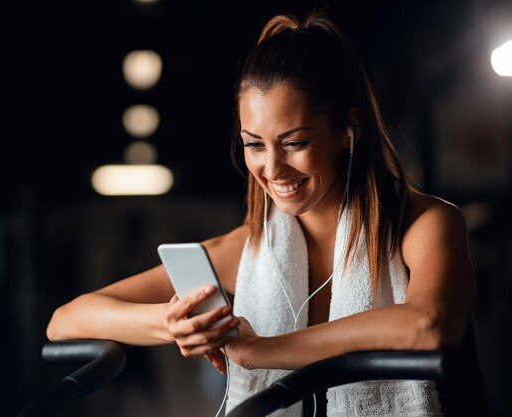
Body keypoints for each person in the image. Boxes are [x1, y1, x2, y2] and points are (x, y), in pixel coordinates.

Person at [46, 11, 492, 417]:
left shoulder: (424, 223)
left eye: (295, 142)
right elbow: (66, 320)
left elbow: (428, 325)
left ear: (348, 132)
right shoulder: (246, 249)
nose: (272, 168)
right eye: (255, 144)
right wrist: (172, 323)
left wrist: (261, 351)